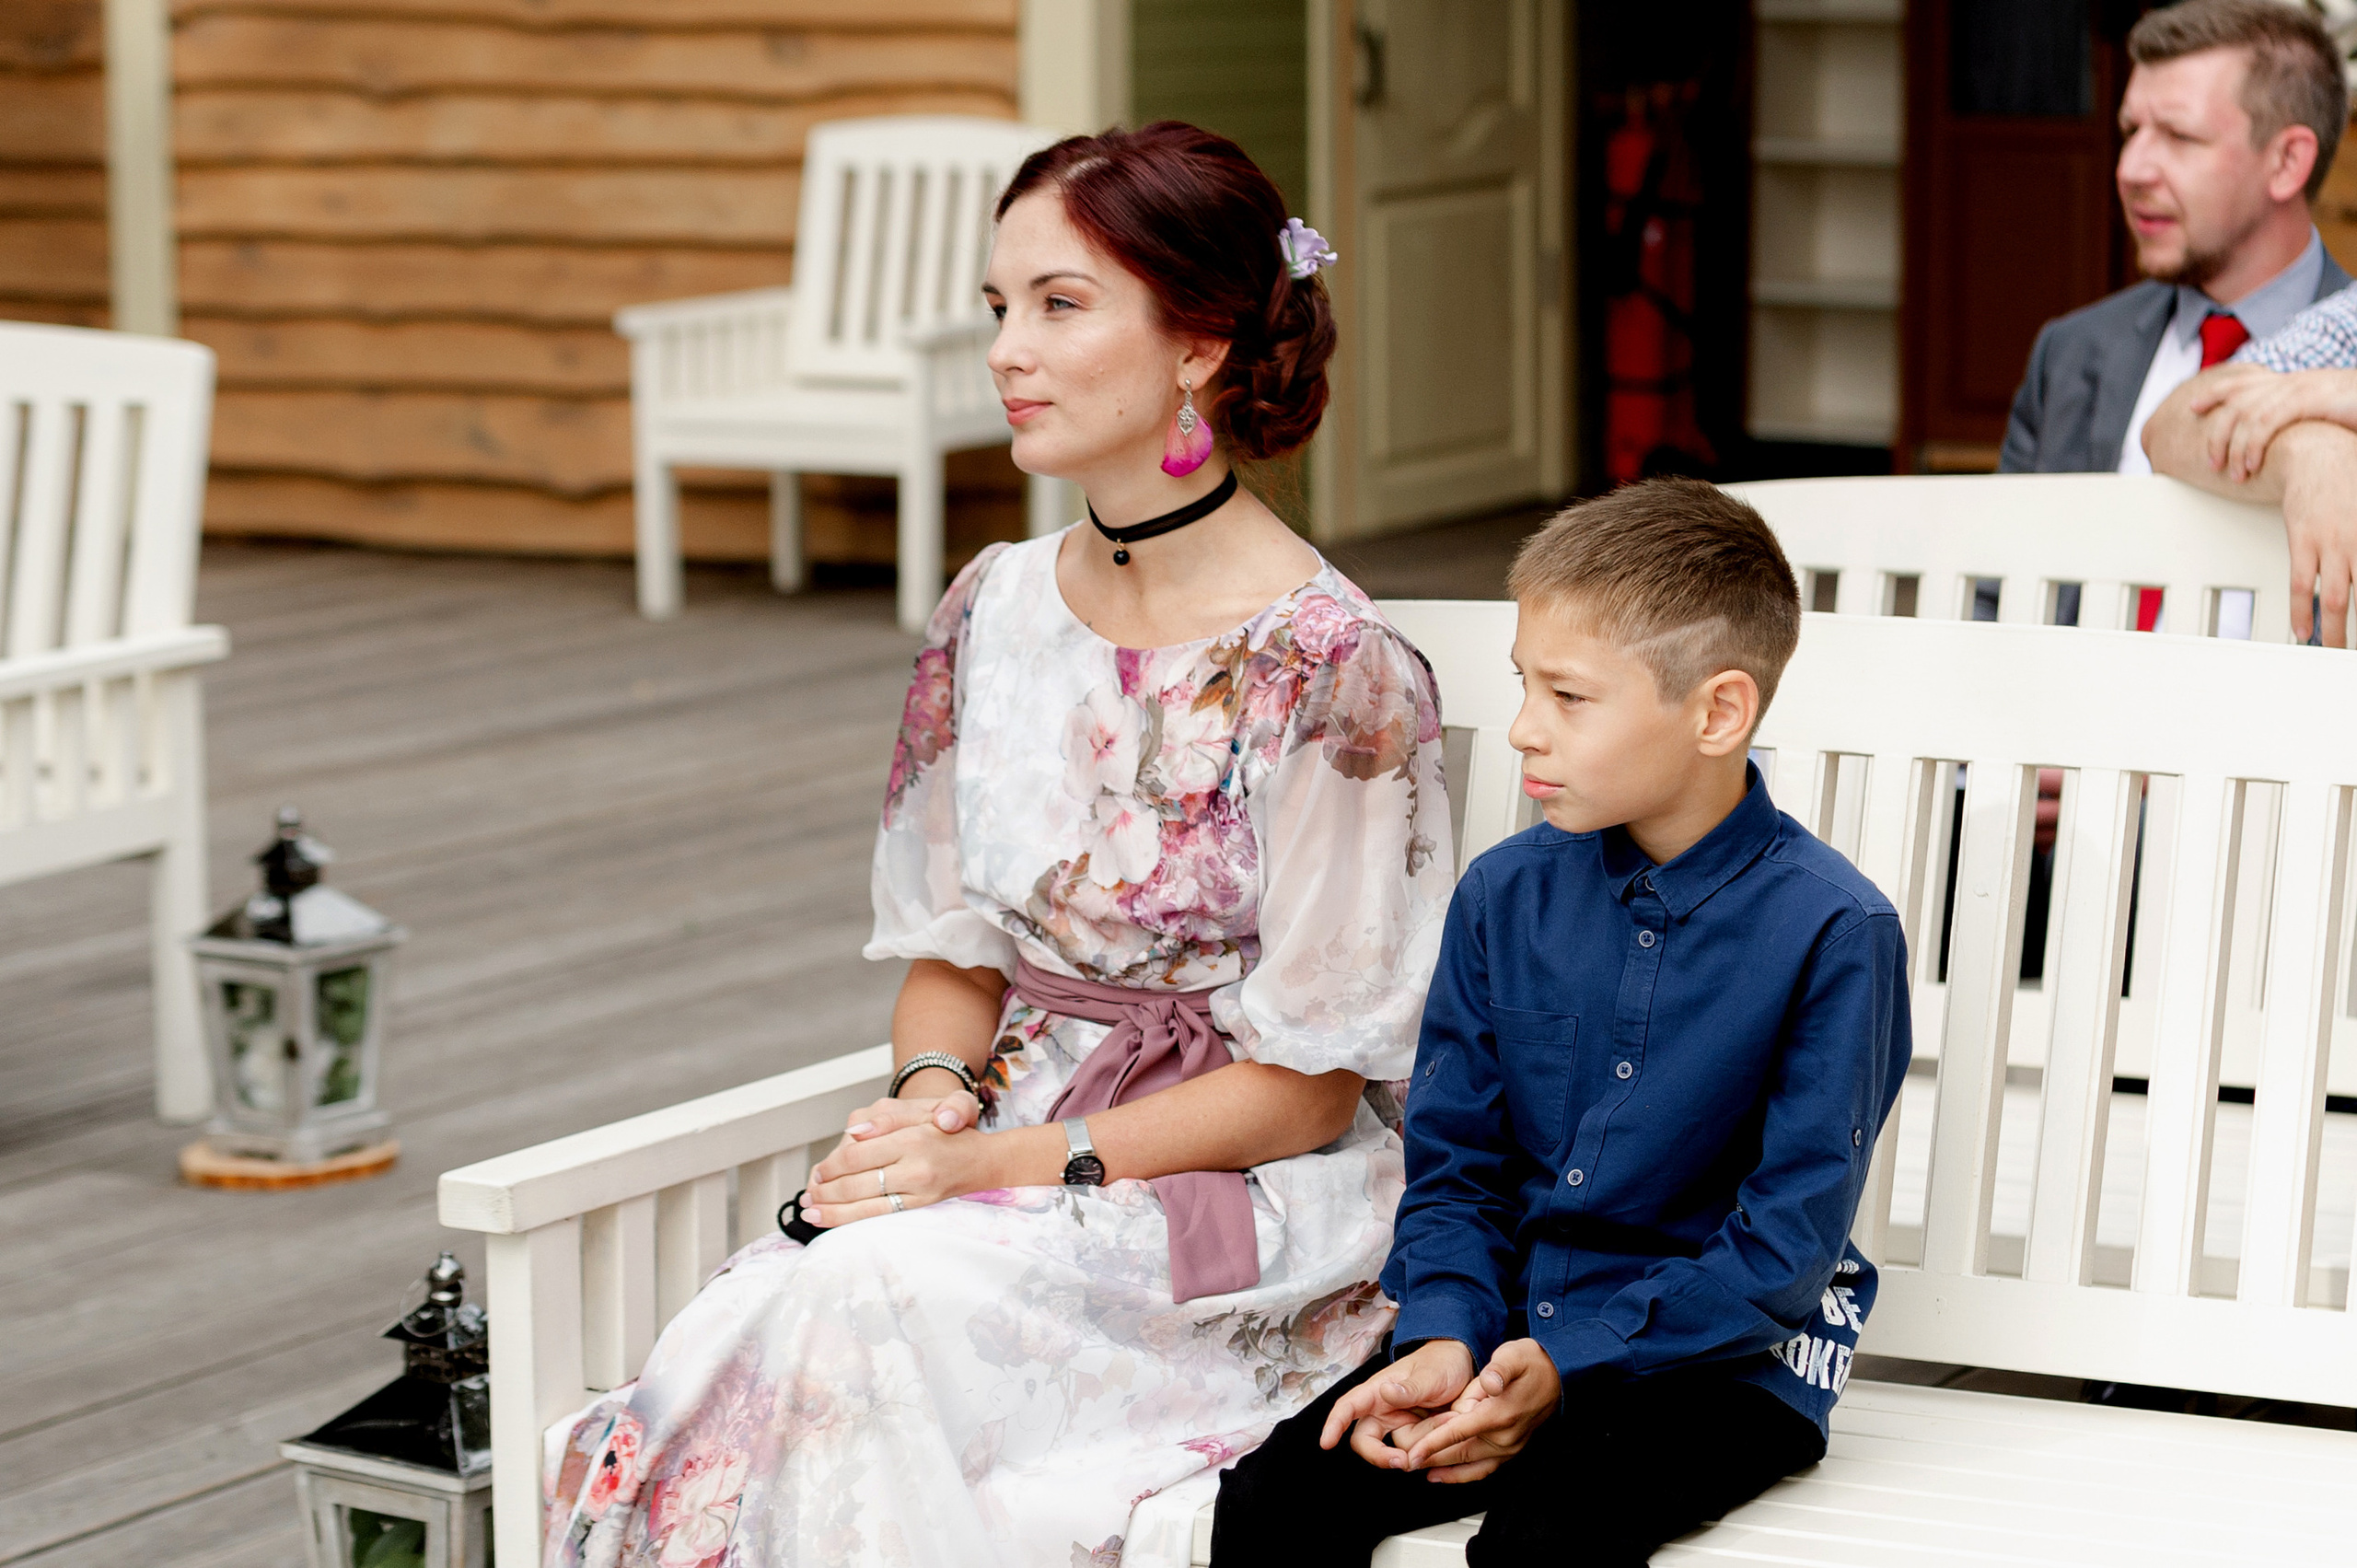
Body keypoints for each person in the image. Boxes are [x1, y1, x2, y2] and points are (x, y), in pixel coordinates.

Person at [540, 123, 1456, 1568]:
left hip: (1231, 1199)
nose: (1008, 350)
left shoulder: (1332, 667)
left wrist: (999, 1165)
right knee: (762, 1322)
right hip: (998, 1153)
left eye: (1060, 304)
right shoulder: (992, 606)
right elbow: (952, 955)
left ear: (1200, 346)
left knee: (844, 1310)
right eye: (998, 307)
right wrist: (925, 1103)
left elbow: (1307, 1088)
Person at [1211, 480, 1912, 1566]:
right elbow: (1455, 1166)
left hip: (1724, 1362)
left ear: (1717, 711)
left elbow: (1783, 1248)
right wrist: (1447, 1328)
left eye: (1570, 697)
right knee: (1273, 1503)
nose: (1526, 726)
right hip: (1504, 1333)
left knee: (1543, 1546)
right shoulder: (1505, 895)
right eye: (1523, 684)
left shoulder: (1834, 931)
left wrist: (1569, 1363)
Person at [2000, 0, 2349, 475]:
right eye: (2132, 131)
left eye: (2179, 137)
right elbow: (2003, 546)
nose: (2131, 170)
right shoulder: (2069, 354)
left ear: (2287, 162)